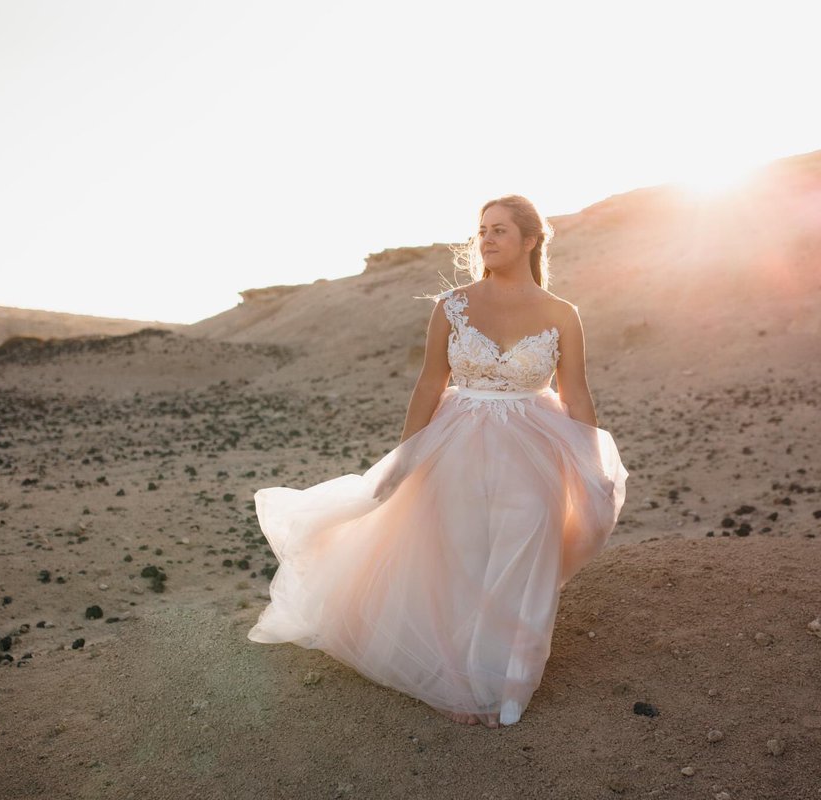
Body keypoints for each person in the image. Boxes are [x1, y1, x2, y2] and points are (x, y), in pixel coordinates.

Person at [247, 194, 628, 728]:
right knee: (462, 562)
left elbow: (577, 395)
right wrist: (407, 457)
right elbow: (430, 382)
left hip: (534, 450)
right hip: (457, 444)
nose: (487, 239)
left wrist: (592, 467)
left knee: (523, 565)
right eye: (482, 229)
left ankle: (510, 683)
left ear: (531, 239)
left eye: (499, 230)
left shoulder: (563, 314)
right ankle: (457, 684)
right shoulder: (452, 305)